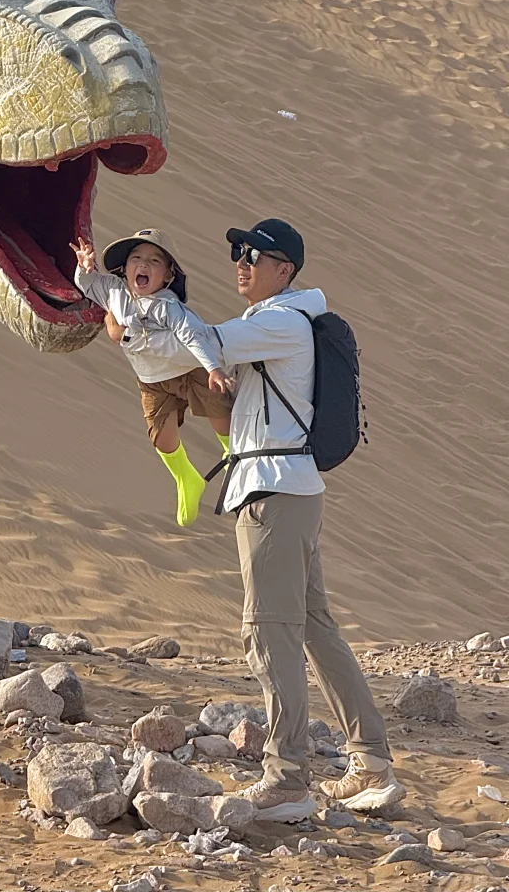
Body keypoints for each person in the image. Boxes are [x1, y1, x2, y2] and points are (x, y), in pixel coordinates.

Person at [207, 217, 405, 820]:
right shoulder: (279, 323)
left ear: (284, 269)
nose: (241, 263)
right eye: (239, 253)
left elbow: (200, 339)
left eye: (254, 255)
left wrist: (132, 307)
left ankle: (287, 776)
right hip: (288, 489)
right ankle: (371, 762)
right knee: (315, 628)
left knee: (270, 631)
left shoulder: (279, 322)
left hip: (274, 493)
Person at [70, 229, 232, 526]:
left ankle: (235, 456)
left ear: (168, 275)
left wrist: (213, 369)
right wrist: (84, 267)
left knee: (219, 412)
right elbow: (87, 285)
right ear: (125, 268)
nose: (143, 264)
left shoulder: (168, 305)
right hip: (151, 379)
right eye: (136, 258)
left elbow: (192, 337)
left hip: (189, 370)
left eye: (154, 260)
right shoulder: (114, 289)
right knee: (161, 437)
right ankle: (187, 478)